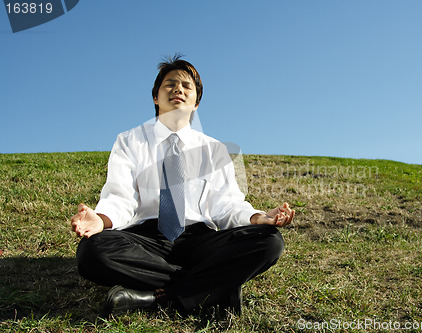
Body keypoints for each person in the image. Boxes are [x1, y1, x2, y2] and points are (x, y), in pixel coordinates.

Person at [71, 54, 295, 317]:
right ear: (156, 97)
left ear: (196, 103)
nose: (178, 89)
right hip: (146, 240)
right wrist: (102, 220)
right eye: (170, 84)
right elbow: (121, 197)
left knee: (269, 243)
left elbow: (226, 205)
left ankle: (157, 298)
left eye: (187, 86)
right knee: (92, 252)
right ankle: (214, 288)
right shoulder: (130, 141)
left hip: (199, 240)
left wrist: (258, 218)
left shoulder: (214, 150)